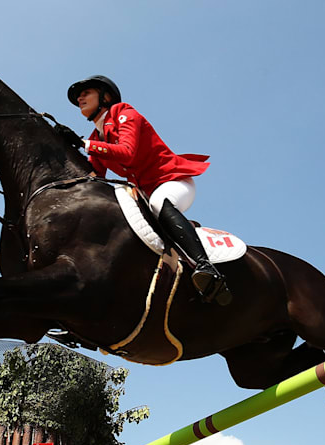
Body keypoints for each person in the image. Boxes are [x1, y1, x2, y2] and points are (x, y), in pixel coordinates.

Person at [66, 75, 232, 305]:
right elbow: (94, 178)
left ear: (106, 97)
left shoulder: (124, 113)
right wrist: (68, 154)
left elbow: (127, 152)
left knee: (158, 204)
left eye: (86, 92)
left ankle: (206, 267)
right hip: (143, 192)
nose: (80, 98)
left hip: (171, 181)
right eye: (78, 97)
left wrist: (84, 144)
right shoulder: (97, 137)